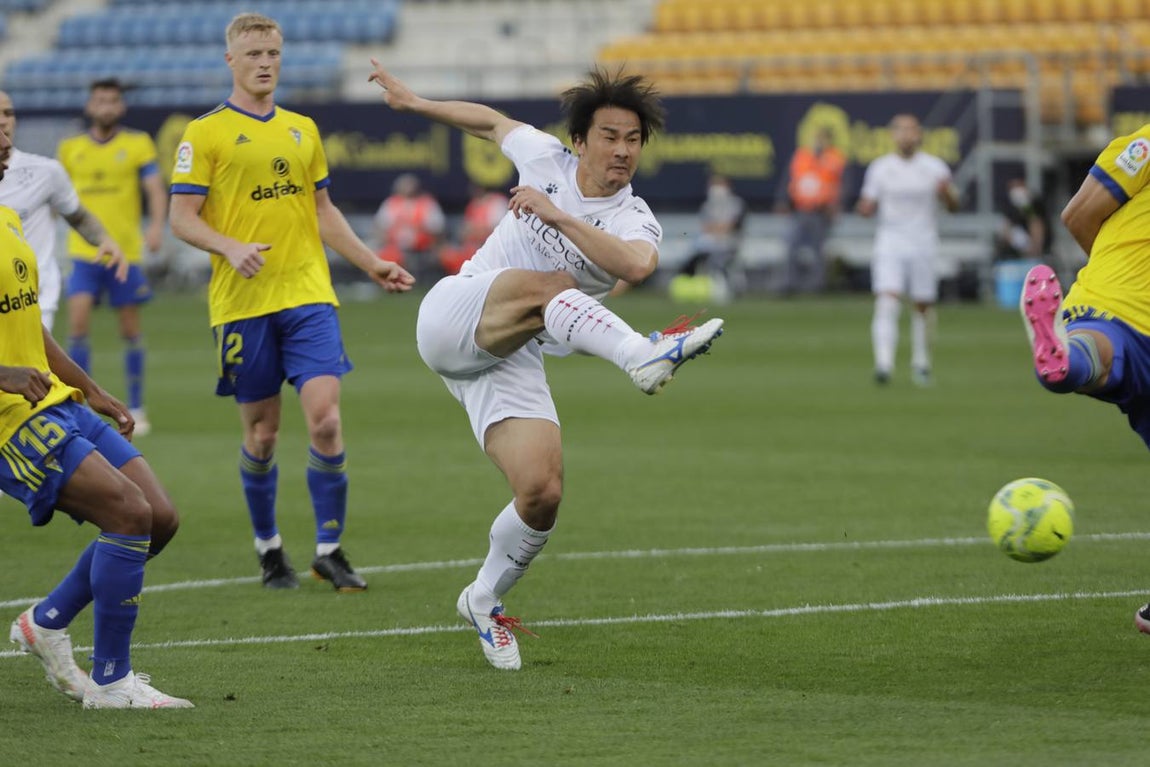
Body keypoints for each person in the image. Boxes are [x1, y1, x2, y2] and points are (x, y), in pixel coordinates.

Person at [368, 60, 725, 670]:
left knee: (541, 492)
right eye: (609, 136)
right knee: (555, 283)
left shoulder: (635, 217)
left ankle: (483, 599)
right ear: (580, 140)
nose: (622, 150)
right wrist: (414, 102)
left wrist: (558, 216)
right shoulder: (544, 157)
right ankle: (640, 356)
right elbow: (489, 122)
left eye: (633, 139)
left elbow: (637, 266)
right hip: (456, 311)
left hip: (511, 349)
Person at [168, 13, 414, 593]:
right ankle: (269, 547)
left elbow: (322, 212)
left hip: (308, 294)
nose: (264, 63)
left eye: (273, 53)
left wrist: (370, 262)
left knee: (326, 421)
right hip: (242, 305)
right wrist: (229, 247)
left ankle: (328, 549)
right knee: (263, 436)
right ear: (230, 60)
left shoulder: (303, 129)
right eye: (253, 53)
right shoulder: (204, 133)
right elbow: (181, 218)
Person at [0, 125, 191, 709]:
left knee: (159, 517)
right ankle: (111, 681)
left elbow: (30, 326)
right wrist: (3, 374)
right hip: (9, 421)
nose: (4, 136)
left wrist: (92, 389)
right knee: (128, 514)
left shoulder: (8, 221)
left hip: (56, 399)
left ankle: (46, 621)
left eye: (6, 121)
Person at [1018, 126, 1150, 634]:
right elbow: (1079, 217)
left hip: (1114, 307)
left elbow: (1078, 214)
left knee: (1104, 359)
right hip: (1124, 297)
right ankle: (1064, 358)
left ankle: (1066, 360)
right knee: (1109, 349)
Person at [57, 78, 167, 435]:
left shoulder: (137, 144)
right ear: (90, 106)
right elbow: (56, 196)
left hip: (124, 253)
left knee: (130, 330)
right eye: (100, 100)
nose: (106, 107)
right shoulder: (71, 148)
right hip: (83, 253)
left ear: (121, 106)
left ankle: (136, 405)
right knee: (77, 326)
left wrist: (156, 227)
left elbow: (154, 188)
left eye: (112, 101)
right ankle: (79, 405)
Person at [0, 90, 125, 332]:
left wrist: (105, 239)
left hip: (31, 299)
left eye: (8, 113)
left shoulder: (46, 172)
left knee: (33, 357)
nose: (3, 121)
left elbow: (77, 215)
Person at [856, 113, 959, 386]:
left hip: (923, 241)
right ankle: (884, 364)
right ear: (893, 135)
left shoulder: (934, 167)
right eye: (901, 130)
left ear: (919, 134)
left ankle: (921, 362)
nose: (906, 135)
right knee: (887, 299)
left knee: (922, 305)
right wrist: (864, 208)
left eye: (911, 130)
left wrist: (946, 193)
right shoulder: (880, 168)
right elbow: (866, 204)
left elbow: (954, 206)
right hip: (890, 241)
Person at [779, 126, 846, 295]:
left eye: (823, 138)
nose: (819, 142)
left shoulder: (835, 158)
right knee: (791, 245)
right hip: (800, 209)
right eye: (817, 138)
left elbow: (842, 184)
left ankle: (818, 285)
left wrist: (836, 206)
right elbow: (789, 178)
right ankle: (789, 283)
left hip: (821, 211)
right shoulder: (802, 155)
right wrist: (783, 200)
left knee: (818, 250)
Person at [674, 172, 746, 301]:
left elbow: (730, 225)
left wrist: (718, 229)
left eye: (719, 184)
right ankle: (688, 285)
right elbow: (706, 227)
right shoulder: (708, 205)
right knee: (694, 254)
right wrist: (717, 229)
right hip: (710, 242)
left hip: (730, 242)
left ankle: (725, 289)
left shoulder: (736, 203)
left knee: (718, 259)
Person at [374, 172, 446, 284]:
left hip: (423, 248)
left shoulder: (427, 203)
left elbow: (437, 229)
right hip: (395, 248)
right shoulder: (390, 203)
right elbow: (380, 227)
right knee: (380, 254)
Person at [438, 182, 509, 276]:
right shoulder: (473, 205)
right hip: (471, 246)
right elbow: (465, 229)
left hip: (490, 246)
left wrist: (475, 231)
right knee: (446, 254)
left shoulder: (497, 202)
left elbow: (497, 229)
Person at [994, 177, 1049, 262]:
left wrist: (1025, 205)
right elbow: (1006, 231)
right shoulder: (1009, 207)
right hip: (1014, 258)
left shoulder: (1035, 204)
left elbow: (1035, 222)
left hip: (1035, 256)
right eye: (1013, 187)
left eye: (1018, 186)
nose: (1016, 190)